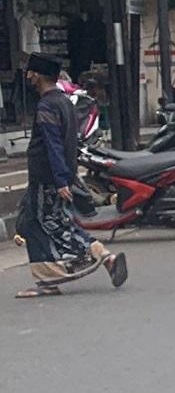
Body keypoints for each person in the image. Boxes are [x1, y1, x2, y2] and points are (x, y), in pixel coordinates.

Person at [15, 53, 128, 299]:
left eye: (30, 72)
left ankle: (103, 255)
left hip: (48, 179)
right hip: (52, 177)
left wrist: (61, 180)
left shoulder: (47, 106)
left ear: (37, 75)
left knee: (54, 224)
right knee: (33, 224)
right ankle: (48, 279)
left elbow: (53, 144)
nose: (27, 76)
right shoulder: (63, 102)